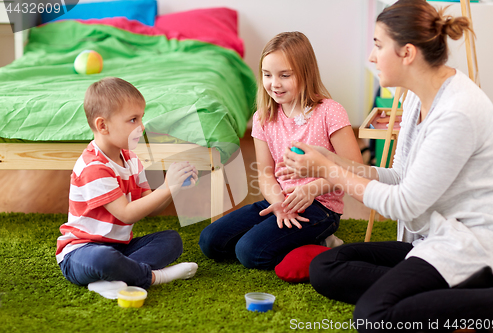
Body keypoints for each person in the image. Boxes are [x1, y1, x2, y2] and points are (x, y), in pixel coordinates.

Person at [280, 1, 493, 331]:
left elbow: (403, 202)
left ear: (407, 53)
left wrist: (330, 172)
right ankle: (439, 295)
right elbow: (398, 176)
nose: (371, 56)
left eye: (378, 45)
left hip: (470, 245)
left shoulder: (457, 112)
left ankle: (484, 299)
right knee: (326, 266)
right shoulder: (416, 96)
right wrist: (329, 159)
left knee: (373, 317)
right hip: (433, 239)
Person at [198, 32, 362, 270]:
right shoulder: (263, 117)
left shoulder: (330, 111)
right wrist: (277, 204)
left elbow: (354, 167)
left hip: (320, 206)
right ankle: (286, 235)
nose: (274, 83)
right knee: (210, 241)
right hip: (280, 199)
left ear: (305, 73)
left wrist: (312, 188)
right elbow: (265, 173)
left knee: (249, 252)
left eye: (284, 75)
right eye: (267, 75)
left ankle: (322, 240)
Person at [56, 77, 199, 291]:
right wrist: (167, 186)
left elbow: (150, 206)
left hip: (121, 249)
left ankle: (114, 278)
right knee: (104, 258)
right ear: (103, 125)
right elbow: (127, 214)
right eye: (133, 120)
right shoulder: (93, 166)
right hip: (82, 252)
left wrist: (173, 187)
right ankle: (153, 277)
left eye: (141, 118)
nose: (141, 127)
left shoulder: (131, 159)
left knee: (172, 240)